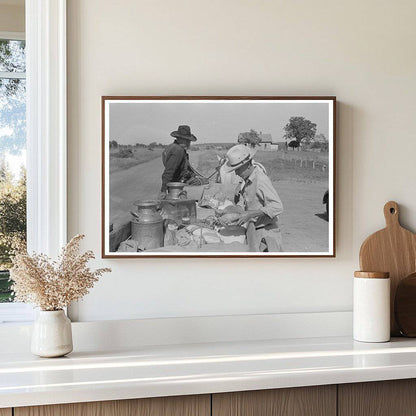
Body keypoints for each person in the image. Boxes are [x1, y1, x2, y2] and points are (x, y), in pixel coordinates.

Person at [225, 144, 283, 251]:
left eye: (238, 169)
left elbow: (277, 206)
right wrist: (229, 212)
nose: (236, 173)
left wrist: (250, 214)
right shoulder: (247, 179)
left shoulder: (260, 180)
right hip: (254, 228)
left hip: (266, 232)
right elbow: (244, 202)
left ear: (247, 164)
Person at [159, 125, 204, 198]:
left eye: (189, 141)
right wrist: (163, 190)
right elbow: (169, 171)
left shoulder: (172, 147)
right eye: (187, 140)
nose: (189, 143)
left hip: (178, 180)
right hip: (179, 183)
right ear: (180, 139)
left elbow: (182, 168)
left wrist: (194, 175)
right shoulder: (178, 150)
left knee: (201, 179)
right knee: (205, 183)